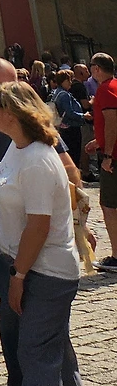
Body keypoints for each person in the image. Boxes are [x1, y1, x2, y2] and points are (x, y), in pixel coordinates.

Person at [0, 81, 105, 386]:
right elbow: (16, 202)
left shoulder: (37, 158)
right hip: (34, 267)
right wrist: (2, 228)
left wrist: (18, 275)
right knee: (59, 360)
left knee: (37, 362)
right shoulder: (17, 149)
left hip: (45, 274)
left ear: (12, 113)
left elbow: (40, 224)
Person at [85, 51, 117, 270]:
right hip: (111, 151)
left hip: (113, 157)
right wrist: (99, 141)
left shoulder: (105, 90)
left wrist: (107, 155)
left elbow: (112, 122)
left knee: (109, 206)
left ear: (96, 68)